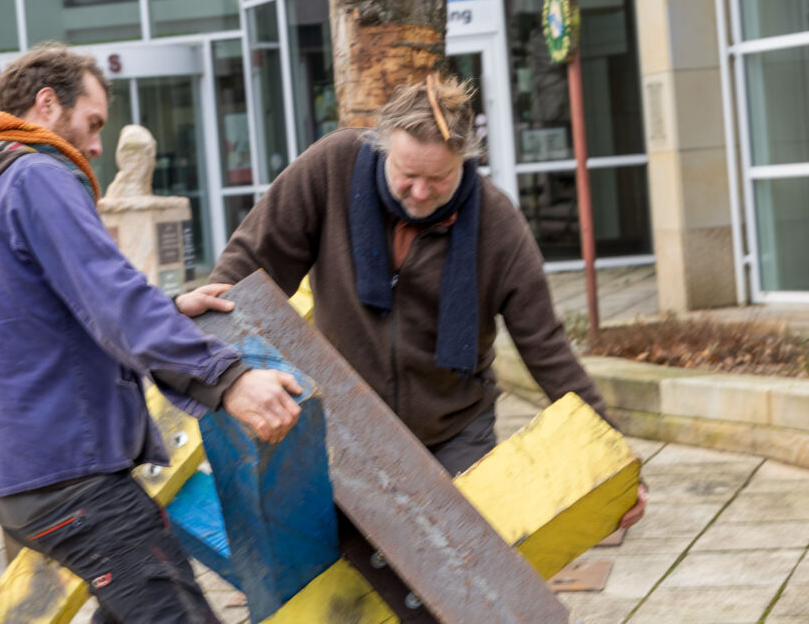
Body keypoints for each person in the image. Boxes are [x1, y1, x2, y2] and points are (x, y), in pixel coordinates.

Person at [0, 42, 302, 624]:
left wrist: (170, 308)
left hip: (17, 473)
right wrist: (226, 378)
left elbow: (42, 310)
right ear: (47, 105)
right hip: (70, 474)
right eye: (93, 122)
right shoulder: (36, 174)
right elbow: (111, 299)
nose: (99, 146)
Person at [182, 74, 646, 528]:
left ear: (464, 161)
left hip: (453, 429)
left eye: (439, 178)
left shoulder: (498, 226)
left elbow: (548, 350)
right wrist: (208, 338)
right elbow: (250, 262)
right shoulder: (332, 169)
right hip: (344, 427)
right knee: (349, 574)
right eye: (407, 175)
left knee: (465, 572)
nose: (421, 193)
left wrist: (616, 458)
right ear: (383, 145)